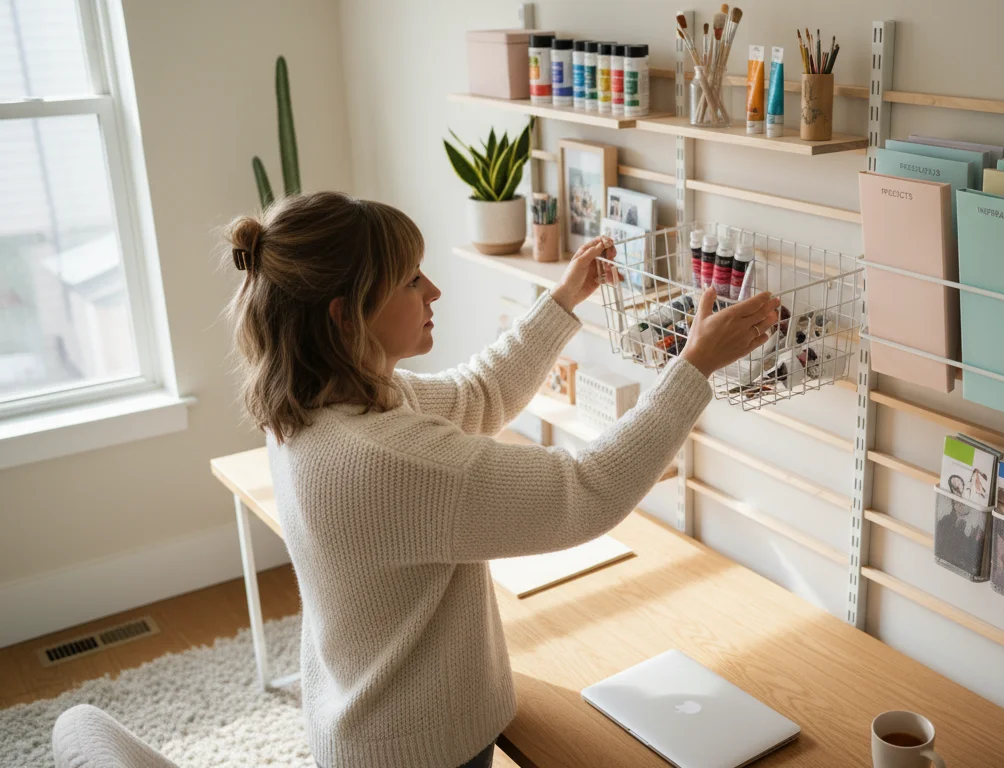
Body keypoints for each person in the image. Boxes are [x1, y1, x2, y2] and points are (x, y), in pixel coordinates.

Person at [223, 191, 779, 768]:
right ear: (345, 315)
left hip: (367, 725)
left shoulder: (319, 403)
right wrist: (692, 370)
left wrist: (564, 300)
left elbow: (476, 396)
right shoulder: (387, 459)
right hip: (419, 749)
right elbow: (586, 491)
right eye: (411, 280)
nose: (433, 290)